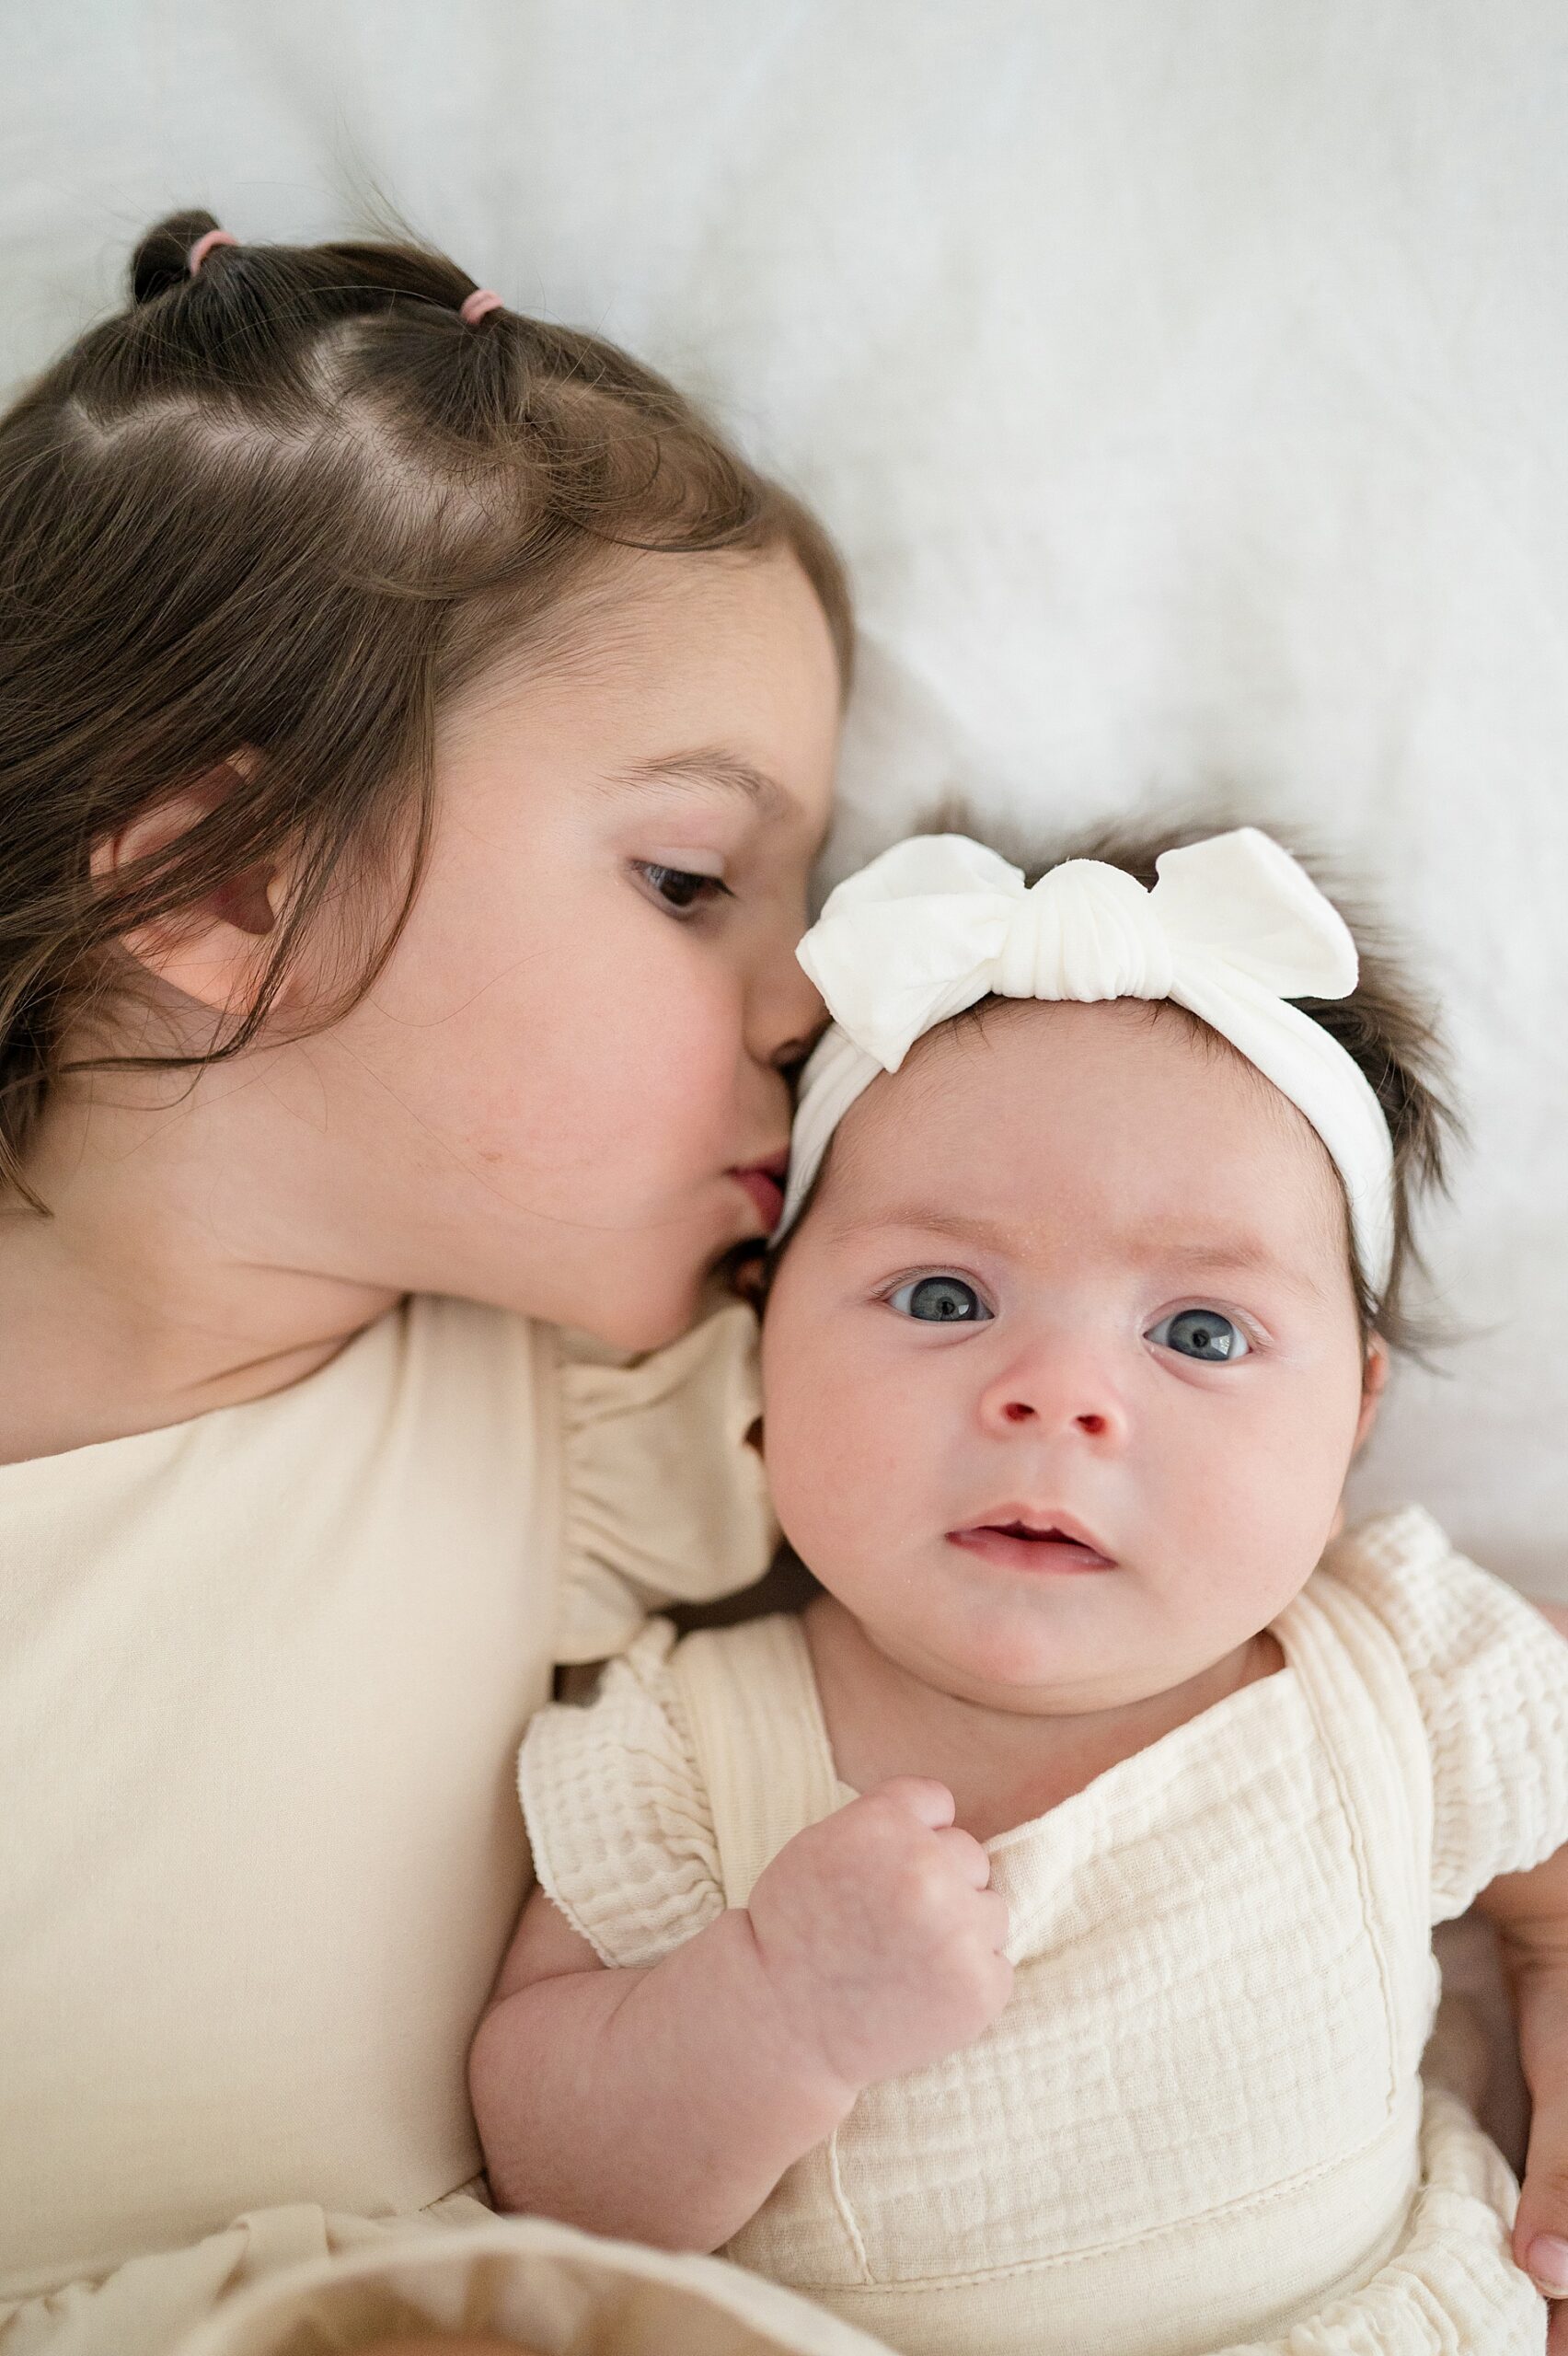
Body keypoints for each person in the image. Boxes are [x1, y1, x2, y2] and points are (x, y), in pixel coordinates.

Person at [0, 212, 878, 2356]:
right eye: (693, 880)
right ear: (223, 889)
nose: (813, 997)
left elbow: (1224, 1554)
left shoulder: (607, 1427)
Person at [478, 826, 1568, 2355]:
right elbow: (557, 2181)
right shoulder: (689, 1741)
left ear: (1359, 1416)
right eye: (943, 1298)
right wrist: (773, 2007)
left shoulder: (1393, 1657)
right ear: (761, 1360)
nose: (1058, 1397)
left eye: (1198, 1331)